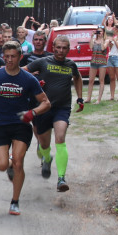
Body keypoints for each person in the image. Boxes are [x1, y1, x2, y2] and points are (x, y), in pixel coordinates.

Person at [0, 41, 51, 216]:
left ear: (20, 57)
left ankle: (15, 201)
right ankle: (9, 164)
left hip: (20, 125)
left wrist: (31, 113)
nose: (9, 60)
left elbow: (46, 103)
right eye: (7, 56)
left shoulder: (28, 79)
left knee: (19, 162)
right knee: (2, 165)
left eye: (13, 56)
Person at [25, 35, 85, 192]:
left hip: (62, 108)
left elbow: (78, 79)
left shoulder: (71, 65)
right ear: (53, 48)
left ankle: (61, 179)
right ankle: (46, 158)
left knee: (60, 138)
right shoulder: (43, 62)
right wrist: (35, 80)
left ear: (68, 50)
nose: (61, 50)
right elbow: (23, 72)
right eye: (58, 47)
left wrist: (80, 98)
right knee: (44, 144)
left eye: (64, 48)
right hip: (44, 108)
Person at [85, 26, 109, 103]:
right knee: (91, 80)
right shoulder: (94, 40)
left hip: (102, 62)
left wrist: (101, 39)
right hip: (94, 61)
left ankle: (99, 99)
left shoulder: (106, 40)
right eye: (98, 31)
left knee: (101, 80)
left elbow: (103, 48)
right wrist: (92, 37)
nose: (99, 33)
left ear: (103, 32)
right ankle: (88, 98)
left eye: (101, 31)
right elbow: (91, 46)